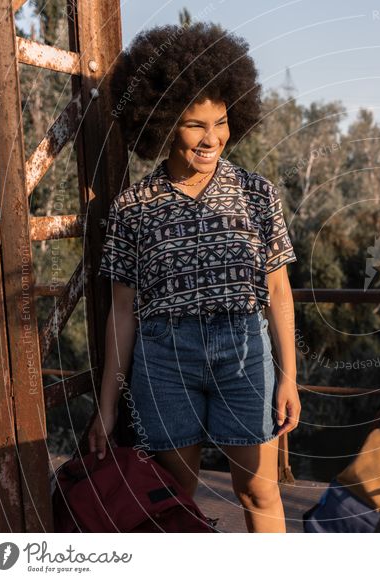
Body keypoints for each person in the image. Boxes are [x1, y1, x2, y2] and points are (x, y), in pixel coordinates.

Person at [89, 22, 300, 533]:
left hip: (244, 353)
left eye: (222, 122)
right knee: (171, 501)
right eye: (194, 125)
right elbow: (122, 311)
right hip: (165, 360)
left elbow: (277, 291)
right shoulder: (132, 207)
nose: (212, 139)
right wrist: (107, 406)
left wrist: (290, 376)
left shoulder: (256, 193)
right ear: (162, 125)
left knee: (257, 491)